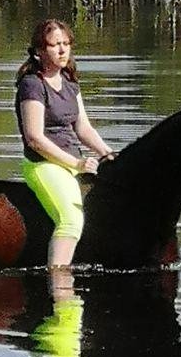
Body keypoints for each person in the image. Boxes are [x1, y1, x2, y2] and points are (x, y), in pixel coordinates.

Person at [15, 18, 114, 271]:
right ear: (39, 51)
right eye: (54, 45)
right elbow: (35, 139)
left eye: (65, 43)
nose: (62, 50)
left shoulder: (71, 84)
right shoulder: (32, 85)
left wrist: (107, 153)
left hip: (73, 162)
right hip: (44, 166)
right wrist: (78, 163)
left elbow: (83, 128)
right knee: (70, 220)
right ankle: (59, 284)